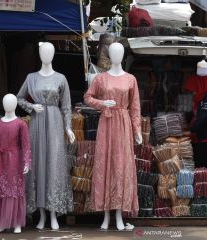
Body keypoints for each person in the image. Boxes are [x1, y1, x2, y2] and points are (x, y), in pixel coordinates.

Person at [17, 42, 75, 230]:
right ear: (39, 54)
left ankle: (54, 212)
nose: (46, 54)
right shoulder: (31, 78)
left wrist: (68, 127)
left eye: (49, 51)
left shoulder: (61, 78)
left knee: (54, 164)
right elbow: (18, 97)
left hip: (55, 122)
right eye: (43, 51)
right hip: (37, 122)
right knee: (38, 164)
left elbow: (66, 106)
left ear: (53, 54)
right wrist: (31, 106)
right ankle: (41, 213)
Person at [84, 42, 141, 230]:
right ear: (109, 55)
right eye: (113, 52)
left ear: (123, 55)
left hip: (123, 124)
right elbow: (88, 97)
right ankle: (106, 214)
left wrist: (137, 130)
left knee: (121, 166)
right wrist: (102, 104)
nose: (116, 55)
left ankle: (119, 214)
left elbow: (135, 107)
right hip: (106, 123)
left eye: (120, 52)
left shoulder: (130, 79)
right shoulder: (101, 78)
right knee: (105, 164)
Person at [0, 94, 31, 234]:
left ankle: (17, 222)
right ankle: (2, 222)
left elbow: (26, 145)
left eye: (10, 102)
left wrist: (27, 162)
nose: (7, 104)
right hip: (0, 161)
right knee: (1, 189)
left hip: (15, 161)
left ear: (15, 104)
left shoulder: (21, 124)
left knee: (15, 190)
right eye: (5, 101)